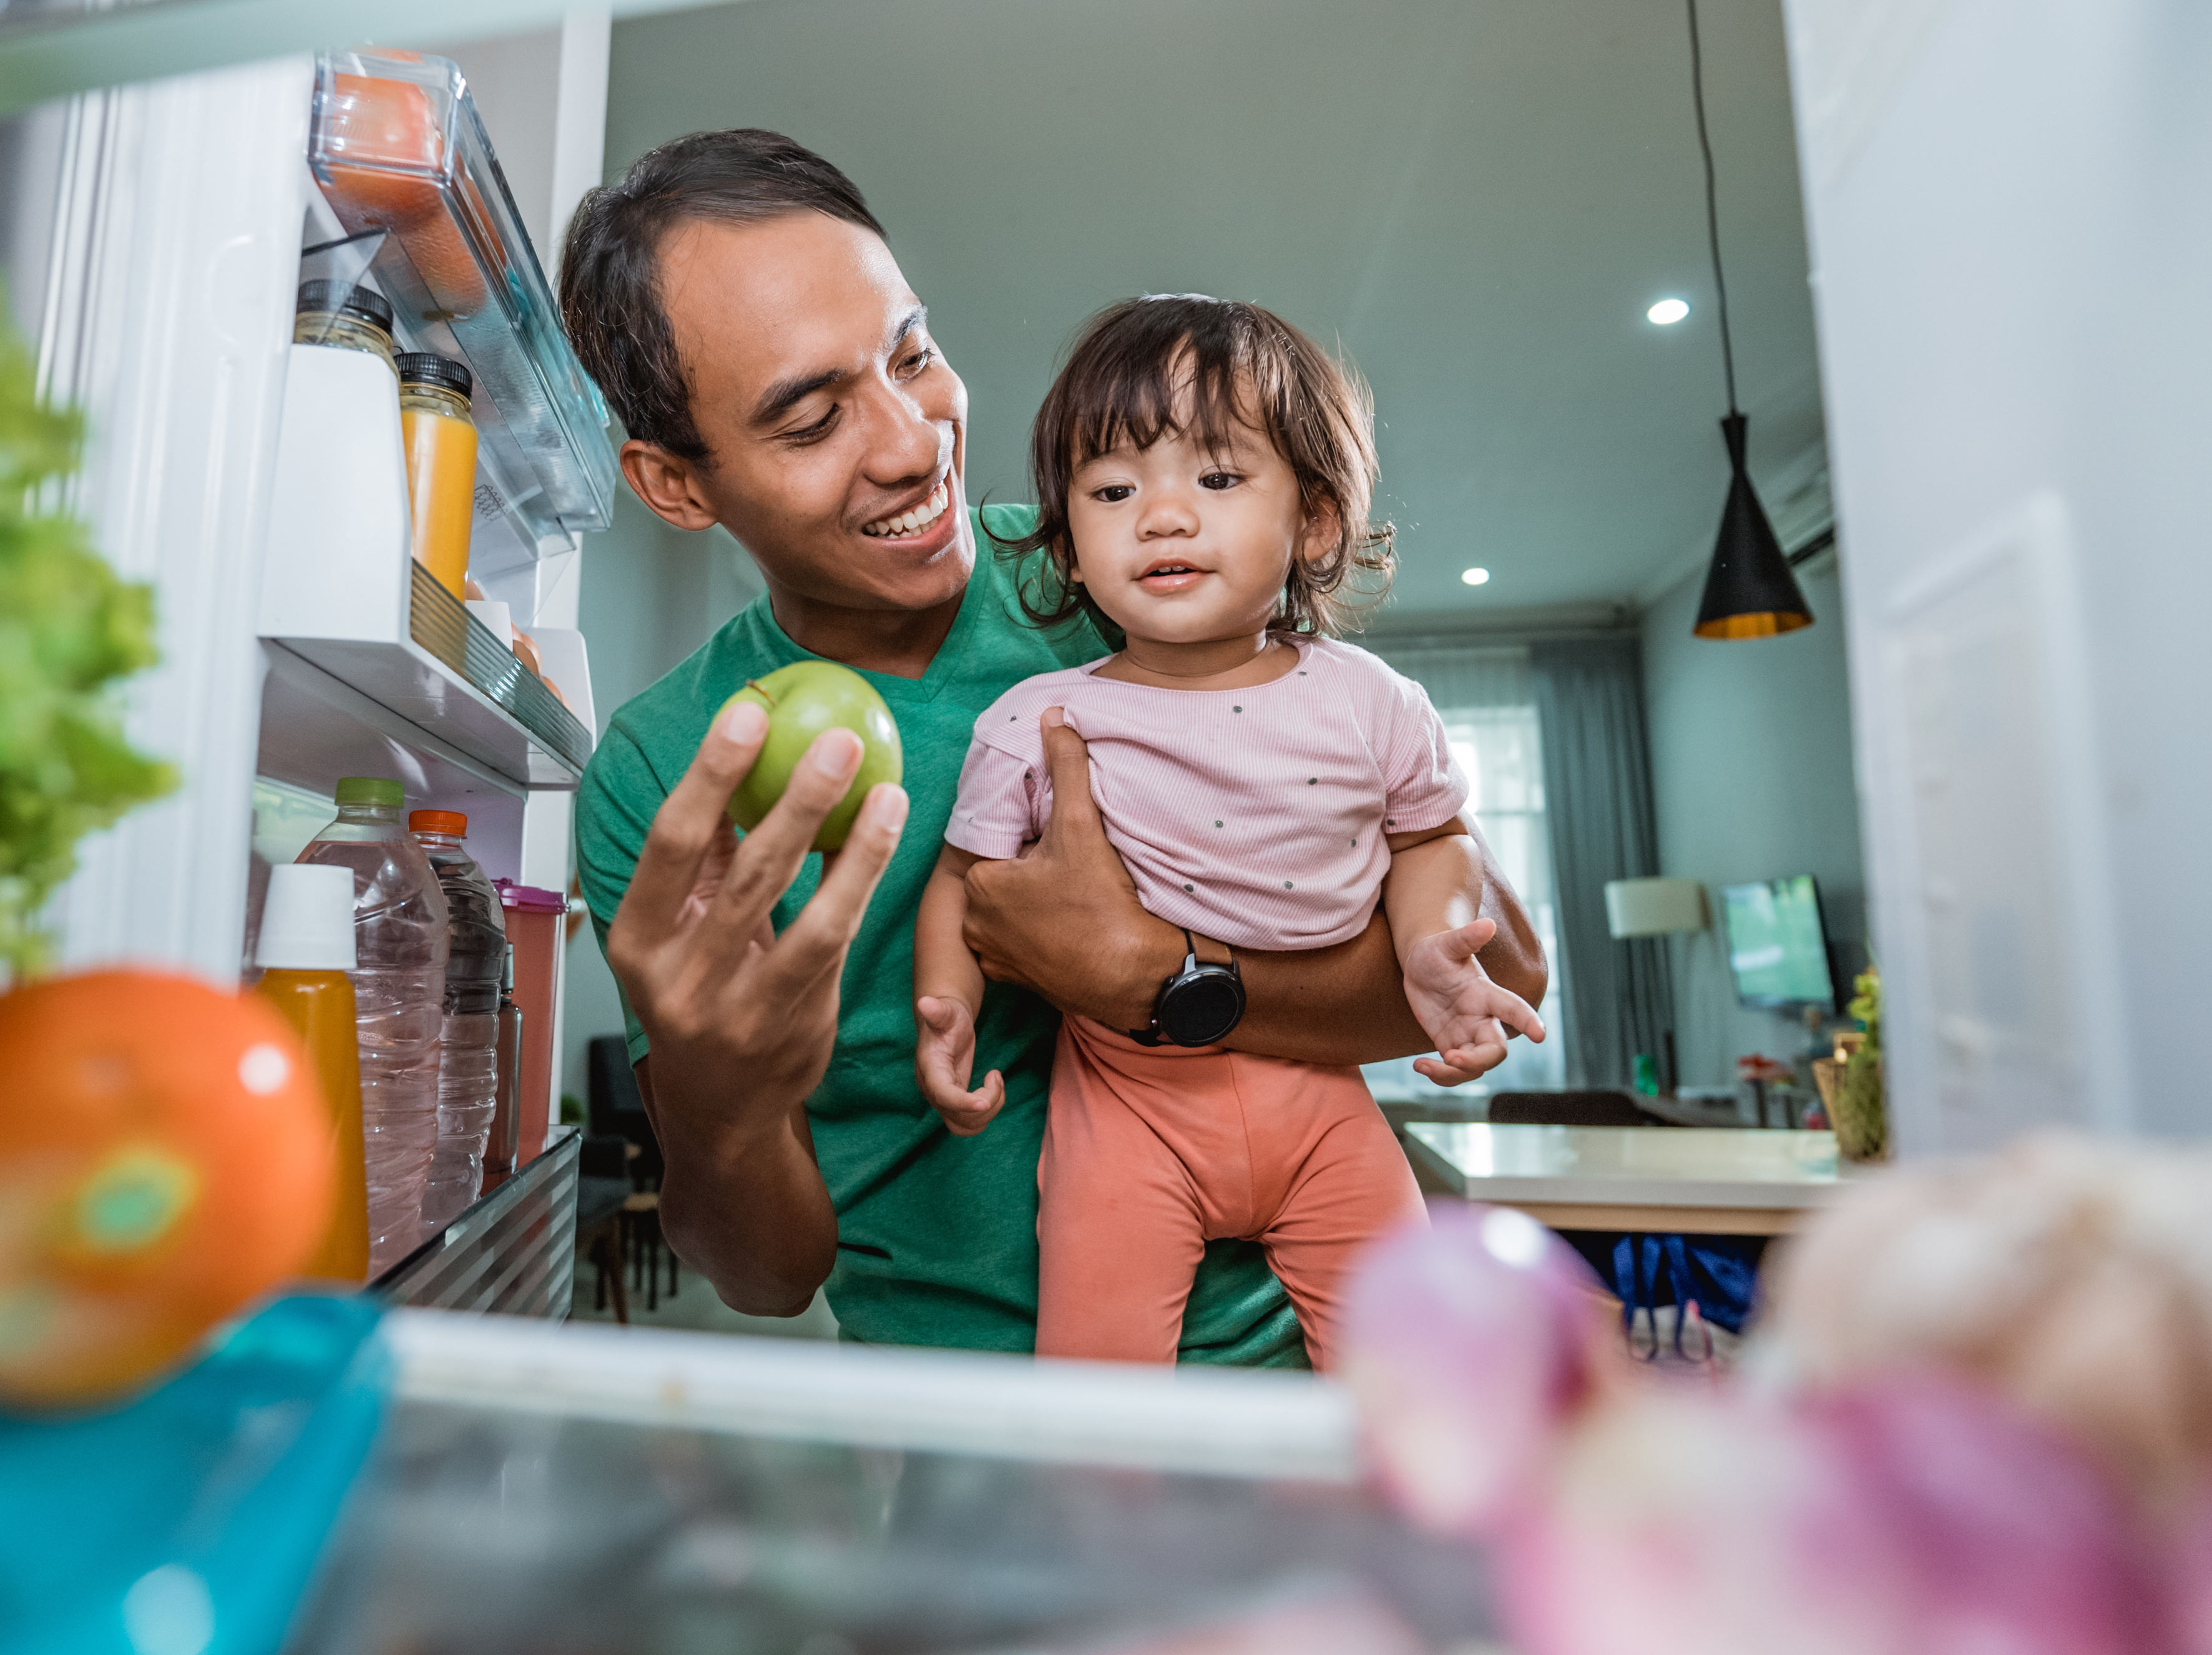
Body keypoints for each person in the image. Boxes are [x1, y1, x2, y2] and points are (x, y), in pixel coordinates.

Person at [560, 129, 1546, 1364]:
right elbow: (763, 1280)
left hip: (1299, 1381)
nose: (911, 443)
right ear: (675, 483)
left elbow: (1503, 966)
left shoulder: (1128, 568)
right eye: (812, 421)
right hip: (978, 1461)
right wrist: (721, 1102)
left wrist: (1157, 978)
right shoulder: (663, 782)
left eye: (911, 355)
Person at [911, 295, 1545, 1368]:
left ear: (1316, 523)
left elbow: (1429, 844)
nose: (1160, 517)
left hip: (1327, 1108)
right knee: (1099, 1394)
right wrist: (946, 1009)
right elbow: (963, 881)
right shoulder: (1037, 719)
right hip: (1126, 1109)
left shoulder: (1374, 702)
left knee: (1413, 1382)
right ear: (1067, 550)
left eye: (1215, 478)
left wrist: (1437, 948)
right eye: (1113, 491)